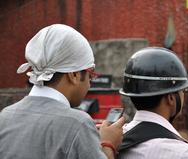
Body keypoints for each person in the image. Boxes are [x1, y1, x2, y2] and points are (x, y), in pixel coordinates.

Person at [0, 24, 124, 159]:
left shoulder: (5, 116)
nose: (90, 82)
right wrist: (108, 144)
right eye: (91, 73)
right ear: (74, 75)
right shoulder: (78, 123)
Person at [117, 47, 188, 159]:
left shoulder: (114, 141)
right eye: (183, 90)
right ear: (171, 98)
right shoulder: (184, 154)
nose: (184, 95)